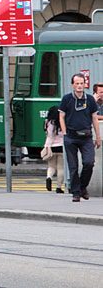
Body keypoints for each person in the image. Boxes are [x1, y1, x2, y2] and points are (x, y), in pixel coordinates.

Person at [59, 73, 101, 202]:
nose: (79, 86)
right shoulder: (67, 99)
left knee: (89, 163)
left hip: (86, 136)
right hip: (70, 136)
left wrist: (98, 136)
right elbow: (61, 116)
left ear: (85, 85)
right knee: (73, 166)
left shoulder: (89, 99)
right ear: (73, 85)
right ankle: (76, 193)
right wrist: (65, 133)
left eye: (81, 83)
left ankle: (82, 187)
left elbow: (94, 118)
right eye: (77, 83)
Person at [44, 106, 65, 194]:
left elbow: (49, 136)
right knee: (61, 168)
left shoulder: (48, 123)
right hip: (61, 146)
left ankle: (49, 177)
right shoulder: (63, 122)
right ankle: (59, 187)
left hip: (51, 147)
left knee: (51, 166)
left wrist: (47, 146)